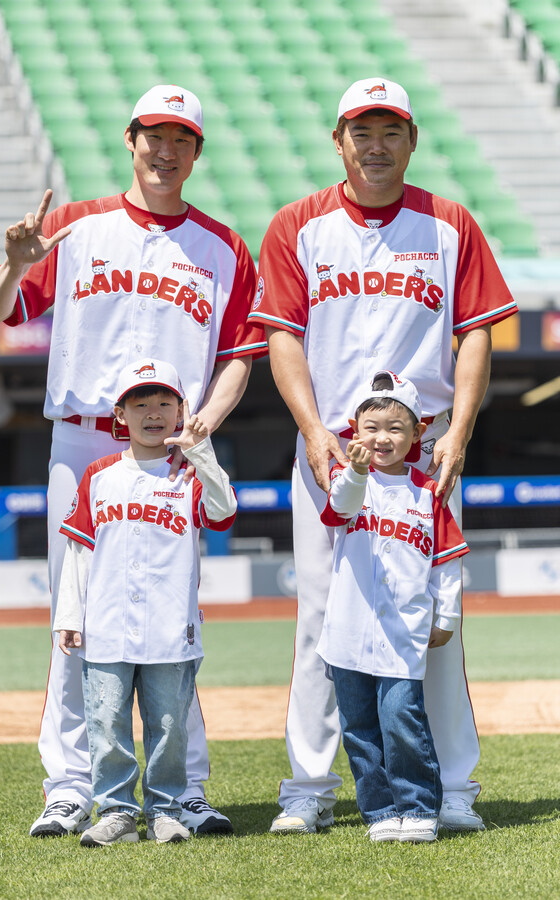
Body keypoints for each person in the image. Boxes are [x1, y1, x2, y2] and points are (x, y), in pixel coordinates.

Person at [0, 84, 266, 838]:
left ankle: (184, 789)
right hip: (82, 440)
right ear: (130, 140)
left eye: (182, 140)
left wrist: (207, 421)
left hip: (171, 448)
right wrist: (12, 266)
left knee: (175, 620)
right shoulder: (73, 226)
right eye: (153, 136)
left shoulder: (225, 246)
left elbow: (240, 355)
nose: (165, 151)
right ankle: (70, 785)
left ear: (196, 153)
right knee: (74, 620)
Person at [249, 76, 518, 835]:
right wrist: (311, 431)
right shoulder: (297, 224)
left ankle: (453, 789)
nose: (375, 144)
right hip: (334, 452)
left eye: (390, 130)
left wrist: (460, 432)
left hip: (424, 457)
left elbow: (476, 335)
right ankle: (308, 787)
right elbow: (283, 337)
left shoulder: (449, 223)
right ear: (338, 141)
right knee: (320, 617)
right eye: (361, 131)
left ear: (411, 140)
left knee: (435, 623)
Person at [53, 358, 237, 846]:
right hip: (107, 625)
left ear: (181, 411)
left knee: (170, 727)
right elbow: (78, 552)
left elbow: (224, 510)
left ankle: (166, 809)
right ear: (120, 414)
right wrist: (69, 616)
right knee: (107, 724)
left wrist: (202, 452)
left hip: (171, 626)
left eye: (164, 402)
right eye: (140, 403)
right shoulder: (99, 474)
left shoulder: (189, 475)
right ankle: (115, 811)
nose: (153, 412)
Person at [317, 370, 469, 843]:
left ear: (419, 433)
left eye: (396, 427)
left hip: (405, 632)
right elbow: (340, 507)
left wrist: (447, 616)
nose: (382, 438)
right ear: (353, 430)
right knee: (359, 729)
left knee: (403, 719)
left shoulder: (429, 493)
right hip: (347, 631)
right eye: (372, 427)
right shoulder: (349, 482)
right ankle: (380, 811)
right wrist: (356, 471)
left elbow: (447, 562)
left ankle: (420, 807)